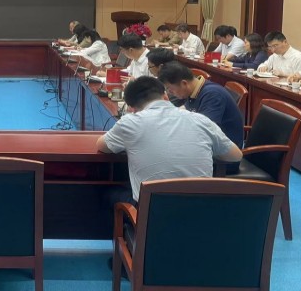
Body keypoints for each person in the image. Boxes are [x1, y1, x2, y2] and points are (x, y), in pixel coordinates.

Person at [96, 76, 242, 204]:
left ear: (132, 109)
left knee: (107, 193)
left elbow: (102, 146)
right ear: (165, 96)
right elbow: (236, 155)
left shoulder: (129, 122)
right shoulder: (201, 120)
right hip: (200, 210)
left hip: (154, 214)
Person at [158, 62, 244, 148]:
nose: (170, 93)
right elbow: (184, 108)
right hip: (207, 140)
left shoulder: (212, 95)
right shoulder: (194, 89)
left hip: (225, 149)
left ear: (184, 83)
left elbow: (205, 130)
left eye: (169, 89)